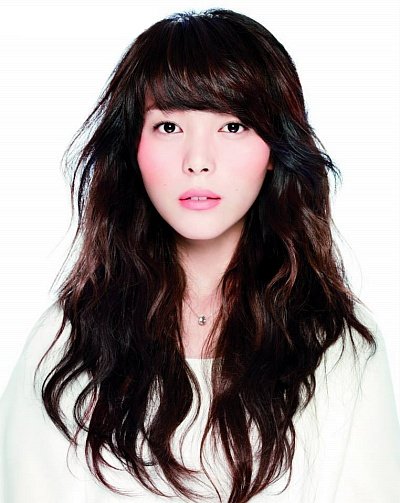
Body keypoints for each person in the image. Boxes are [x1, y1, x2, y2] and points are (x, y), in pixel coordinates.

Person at [0, 8, 399, 503]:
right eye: (169, 127)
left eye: (233, 126)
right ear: (133, 146)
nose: (198, 161)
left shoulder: (339, 344)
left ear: (275, 149)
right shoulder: (65, 342)